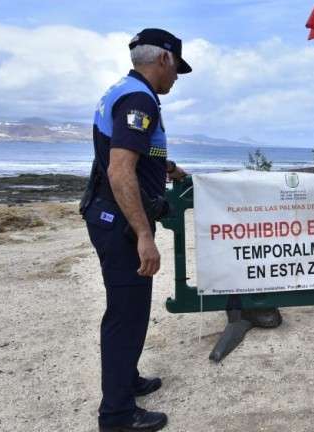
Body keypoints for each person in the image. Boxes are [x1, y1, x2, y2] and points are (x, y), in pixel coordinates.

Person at [81, 28, 190, 432]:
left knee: (129, 311)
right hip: (120, 223)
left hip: (107, 215)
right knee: (126, 316)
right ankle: (117, 416)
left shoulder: (122, 90)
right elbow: (120, 169)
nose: (177, 76)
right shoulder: (139, 99)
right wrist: (144, 235)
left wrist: (169, 169)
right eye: (177, 67)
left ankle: (126, 379)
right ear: (164, 58)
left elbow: (136, 150)